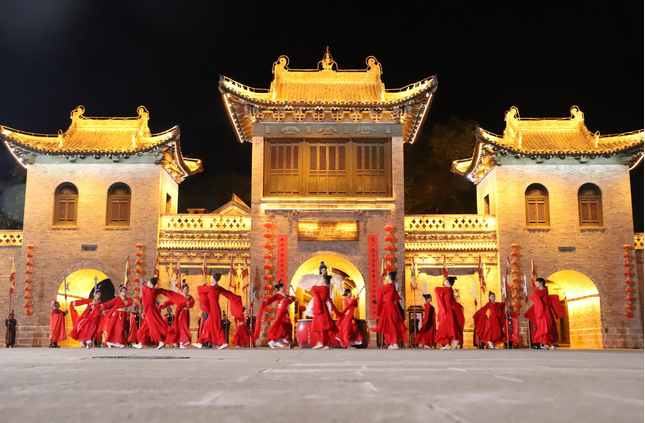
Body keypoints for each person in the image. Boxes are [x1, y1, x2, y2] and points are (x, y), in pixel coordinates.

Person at [194, 273, 244, 350]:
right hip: (215, 308)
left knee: (214, 326)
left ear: (214, 279)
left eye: (211, 278)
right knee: (208, 325)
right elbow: (228, 293)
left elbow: (199, 288)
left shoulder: (211, 288)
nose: (210, 279)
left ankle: (222, 342)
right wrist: (236, 297)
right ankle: (200, 342)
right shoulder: (218, 288)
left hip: (213, 309)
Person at [133, 277, 174, 349]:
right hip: (152, 310)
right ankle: (140, 343)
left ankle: (160, 341)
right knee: (145, 328)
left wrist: (140, 281)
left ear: (151, 283)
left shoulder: (148, 290)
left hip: (150, 311)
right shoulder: (155, 291)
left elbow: (141, 286)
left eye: (149, 282)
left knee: (152, 327)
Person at [371, 271, 407, 350]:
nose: (386, 277)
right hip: (390, 306)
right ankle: (391, 342)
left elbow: (378, 291)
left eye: (387, 276)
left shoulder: (389, 286)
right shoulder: (392, 286)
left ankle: (394, 343)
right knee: (389, 324)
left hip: (389, 307)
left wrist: (379, 302)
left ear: (389, 277)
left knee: (391, 324)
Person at [524, 277, 564, 349]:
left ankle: (547, 343)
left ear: (541, 283)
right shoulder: (541, 291)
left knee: (546, 326)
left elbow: (534, 294)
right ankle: (550, 343)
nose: (535, 284)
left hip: (545, 312)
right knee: (545, 326)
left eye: (537, 283)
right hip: (542, 311)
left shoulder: (544, 290)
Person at [162, 282, 195, 348]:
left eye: (187, 289)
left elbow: (192, 302)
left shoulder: (189, 297)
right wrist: (164, 305)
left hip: (186, 312)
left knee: (185, 326)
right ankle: (181, 342)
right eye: (185, 289)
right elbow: (171, 301)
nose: (187, 290)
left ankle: (182, 342)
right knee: (182, 327)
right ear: (182, 290)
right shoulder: (179, 296)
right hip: (181, 312)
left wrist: (186, 304)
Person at [435, 276, 465, 350]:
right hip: (449, 310)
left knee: (445, 326)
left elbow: (436, 289)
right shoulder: (450, 290)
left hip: (447, 310)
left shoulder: (447, 289)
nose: (444, 282)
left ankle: (451, 341)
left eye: (445, 281)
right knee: (449, 326)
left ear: (448, 282)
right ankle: (450, 342)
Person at [311, 274, 340, 350]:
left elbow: (313, 288)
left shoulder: (323, 288)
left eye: (321, 279)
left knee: (321, 326)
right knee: (323, 326)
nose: (320, 281)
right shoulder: (326, 288)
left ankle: (322, 342)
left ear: (324, 281)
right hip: (323, 309)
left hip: (321, 310)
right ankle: (326, 344)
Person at [265, 282, 296, 348]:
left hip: (285, 312)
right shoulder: (278, 295)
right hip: (280, 312)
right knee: (280, 327)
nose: (284, 288)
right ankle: (272, 341)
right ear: (280, 288)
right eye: (283, 287)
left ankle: (289, 341)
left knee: (288, 325)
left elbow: (290, 299)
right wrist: (266, 302)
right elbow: (272, 298)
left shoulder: (285, 295)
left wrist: (291, 298)